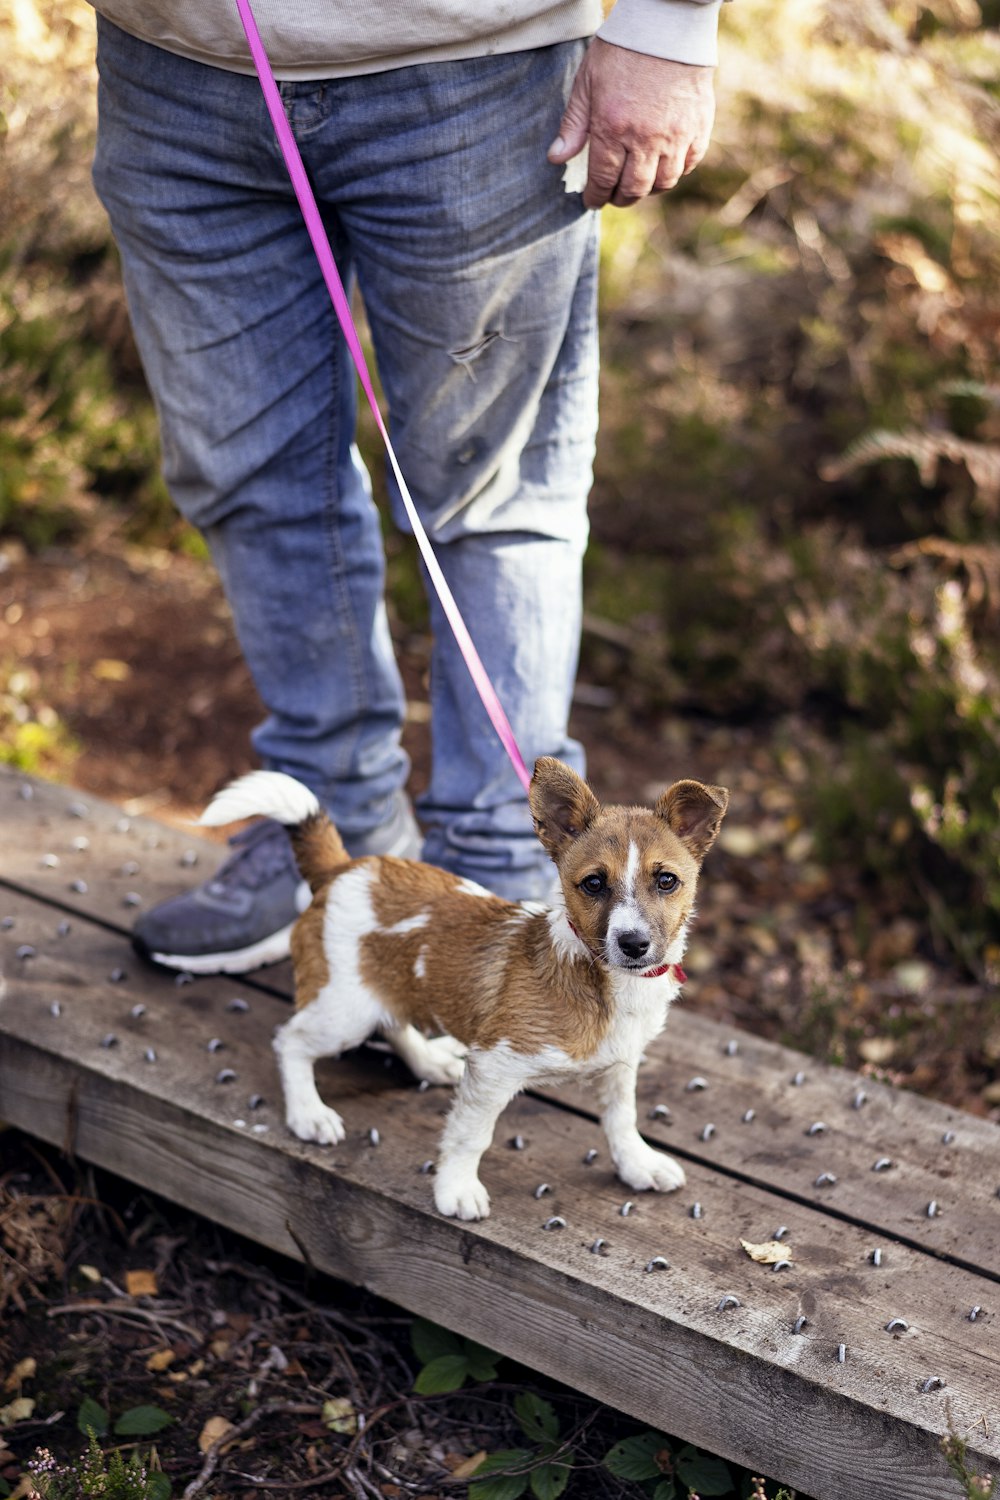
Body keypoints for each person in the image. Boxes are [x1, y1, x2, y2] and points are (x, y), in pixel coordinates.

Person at [87, 0, 723, 975]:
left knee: (488, 494)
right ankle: (328, 852)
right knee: (248, 473)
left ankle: (501, 873)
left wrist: (666, 23)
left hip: (473, 74)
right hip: (172, 73)